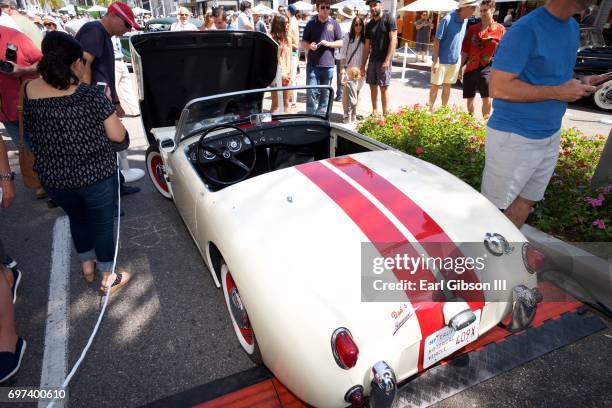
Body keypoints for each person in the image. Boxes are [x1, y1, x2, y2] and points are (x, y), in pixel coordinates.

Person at [24, 32, 132, 293]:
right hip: (95, 175)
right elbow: (117, 135)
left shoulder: (28, 89)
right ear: (74, 63)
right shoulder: (90, 95)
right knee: (102, 223)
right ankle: (108, 275)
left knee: (77, 218)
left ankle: (87, 265)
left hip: (54, 178)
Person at [483, 0, 600, 228]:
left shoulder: (572, 26)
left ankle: (507, 256)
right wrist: (558, 91)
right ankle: (480, 262)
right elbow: (498, 88)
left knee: (526, 202)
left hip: (550, 133)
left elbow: (552, 74)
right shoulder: (525, 29)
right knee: (494, 212)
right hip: (514, 137)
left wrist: (578, 81)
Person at [75, 2, 140, 197]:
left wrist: (116, 103)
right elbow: (84, 65)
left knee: (109, 149)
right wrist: (88, 99)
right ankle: (109, 196)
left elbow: (107, 75)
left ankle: (116, 187)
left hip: (102, 99)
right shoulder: (94, 31)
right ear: (113, 16)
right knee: (102, 150)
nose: (127, 30)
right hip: (94, 101)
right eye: (127, 25)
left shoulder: (104, 35)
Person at [428, 0, 478, 112]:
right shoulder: (447, 19)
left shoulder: (465, 21)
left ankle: (443, 112)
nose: (474, 10)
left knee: (447, 87)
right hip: (441, 60)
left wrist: (460, 62)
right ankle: (429, 111)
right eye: (473, 8)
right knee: (435, 87)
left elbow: (460, 42)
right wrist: (436, 61)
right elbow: (436, 41)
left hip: (455, 60)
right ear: (465, 7)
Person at [460, 0, 505, 118]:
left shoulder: (500, 30)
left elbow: (505, 51)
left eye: (485, 10)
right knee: (469, 98)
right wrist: (459, 67)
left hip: (488, 67)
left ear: (493, 10)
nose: (483, 13)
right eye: (481, 11)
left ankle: (485, 124)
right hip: (471, 66)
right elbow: (465, 50)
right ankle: (469, 122)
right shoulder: (473, 29)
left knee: (486, 97)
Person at [301, 0, 343, 115]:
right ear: (318, 9)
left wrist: (328, 44)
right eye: (323, 7)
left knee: (325, 93)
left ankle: (320, 117)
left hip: (328, 65)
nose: (325, 10)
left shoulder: (334, 23)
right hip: (313, 65)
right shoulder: (311, 23)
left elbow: (341, 42)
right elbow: (303, 42)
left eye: (327, 7)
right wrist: (310, 46)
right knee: (311, 92)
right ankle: (310, 116)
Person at [361, 0, 397, 118]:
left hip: (384, 59)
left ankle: (386, 114)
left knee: (383, 87)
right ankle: (375, 112)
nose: (372, 8)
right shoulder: (369, 24)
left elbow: (393, 40)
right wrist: (363, 64)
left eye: (374, 5)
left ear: (380, 5)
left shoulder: (389, 19)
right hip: (372, 60)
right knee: (372, 86)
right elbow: (367, 46)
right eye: (370, 6)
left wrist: (387, 60)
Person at [339, 15, 365, 123]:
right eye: (356, 24)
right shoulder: (348, 36)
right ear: (353, 25)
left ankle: (354, 113)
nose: (358, 27)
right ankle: (346, 113)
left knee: (357, 92)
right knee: (346, 92)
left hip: (359, 69)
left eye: (360, 24)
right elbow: (343, 54)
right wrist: (342, 69)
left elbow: (368, 53)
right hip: (349, 69)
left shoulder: (365, 38)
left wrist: (365, 67)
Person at [269, 13, 292, 113]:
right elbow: (272, 59)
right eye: (285, 23)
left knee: (287, 104)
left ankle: (286, 126)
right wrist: (281, 74)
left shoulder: (287, 38)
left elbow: (289, 57)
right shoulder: (271, 38)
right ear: (279, 24)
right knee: (275, 106)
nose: (287, 25)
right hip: (276, 76)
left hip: (287, 74)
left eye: (288, 23)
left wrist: (289, 72)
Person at [112, 36, 139, 117]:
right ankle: (112, 113)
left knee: (128, 86)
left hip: (121, 61)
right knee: (113, 88)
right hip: (114, 62)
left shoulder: (116, 37)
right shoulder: (107, 37)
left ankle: (136, 111)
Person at [334, 5, 353, 103]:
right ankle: (349, 94)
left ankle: (340, 94)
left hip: (340, 54)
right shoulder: (354, 25)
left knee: (340, 74)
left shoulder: (340, 25)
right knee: (350, 75)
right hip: (352, 54)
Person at [287, 4, 300, 109]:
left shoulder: (292, 21)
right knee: (292, 77)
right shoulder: (293, 20)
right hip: (294, 51)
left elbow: (292, 40)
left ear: (289, 11)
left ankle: (293, 101)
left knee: (292, 77)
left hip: (293, 51)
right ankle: (292, 100)